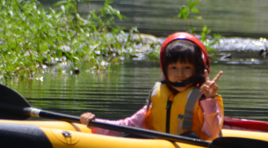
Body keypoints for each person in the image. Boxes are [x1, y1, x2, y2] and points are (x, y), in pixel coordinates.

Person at [80, 32, 224, 141]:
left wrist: (209, 99)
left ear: (197, 69)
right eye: (173, 68)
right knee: (131, 134)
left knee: (190, 135)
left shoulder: (205, 99)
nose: (180, 74)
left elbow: (212, 133)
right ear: (165, 70)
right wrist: (96, 123)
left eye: (186, 67)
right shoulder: (157, 98)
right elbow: (128, 124)